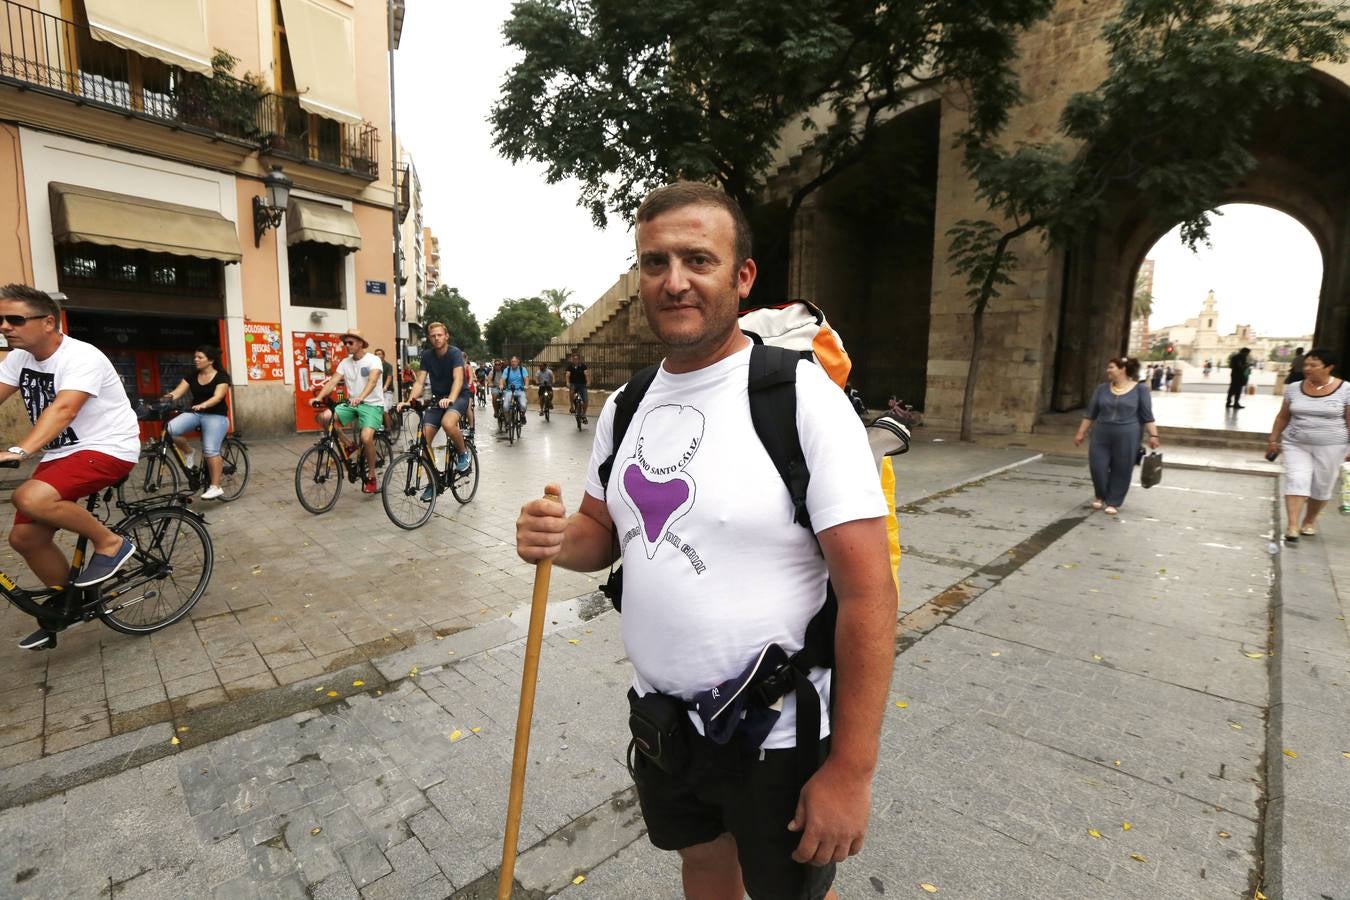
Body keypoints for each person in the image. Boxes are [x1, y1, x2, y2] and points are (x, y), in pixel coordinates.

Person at [516, 182, 896, 900]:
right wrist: (555, 539)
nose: (675, 281)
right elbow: (601, 533)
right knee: (703, 863)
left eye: (698, 259)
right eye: (655, 263)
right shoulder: (627, 404)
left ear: (741, 276)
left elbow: (869, 593)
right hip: (664, 723)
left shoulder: (799, 398)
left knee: (791, 893)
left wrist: (851, 770)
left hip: (776, 732)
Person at [0, 284, 141, 649]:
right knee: (24, 538)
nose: (5, 326)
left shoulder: (81, 357)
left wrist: (21, 449)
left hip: (109, 447)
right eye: (0, 319)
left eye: (14, 319)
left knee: (29, 497)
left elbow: (64, 409)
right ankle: (70, 604)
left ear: (48, 322)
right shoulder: (20, 357)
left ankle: (110, 542)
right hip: (64, 454)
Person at [1266, 348, 1349, 542]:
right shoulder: (1294, 388)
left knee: (1322, 485)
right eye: (1306, 365)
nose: (1307, 368)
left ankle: (1309, 521)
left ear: (1329, 367)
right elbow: (1283, 417)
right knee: (1297, 479)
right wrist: (1273, 439)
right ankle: (1292, 525)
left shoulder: (1346, 389)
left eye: (1313, 365)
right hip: (1296, 443)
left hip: (1332, 446)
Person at [1073, 355, 1160, 516]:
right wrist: (1081, 432)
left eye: (1111, 367)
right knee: (1097, 466)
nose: (1108, 370)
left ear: (1123, 369)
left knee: (1122, 468)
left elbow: (1147, 415)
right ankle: (1100, 494)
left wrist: (1153, 436)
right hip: (1101, 434)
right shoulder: (1101, 389)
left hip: (1128, 435)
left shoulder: (1141, 390)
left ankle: (1113, 501)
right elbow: (1090, 414)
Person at [398, 322, 471, 497]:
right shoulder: (427, 356)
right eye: (433, 336)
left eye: (439, 335)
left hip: (458, 396)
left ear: (446, 336)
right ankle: (434, 482)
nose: (436, 338)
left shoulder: (454, 353)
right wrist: (409, 401)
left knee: (448, 423)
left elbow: (458, 379)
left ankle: (463, 453)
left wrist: (451, 399)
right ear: (430, 338)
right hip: (439, 400)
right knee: (423, 440)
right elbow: (419, 382)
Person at [312, 329, 383, 494]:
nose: (346, 345)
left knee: (366, 438)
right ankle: (348, 444)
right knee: (324, 417)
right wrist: (319, 397)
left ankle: (372, 476)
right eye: (345, 342)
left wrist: (361, 397)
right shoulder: (345, 363)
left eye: (350, 342)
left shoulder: (373, 360)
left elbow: (372, 381)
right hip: (352, 403)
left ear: (360, 343)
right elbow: (332, 382)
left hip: (372, 404)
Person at [161, 344, 231, 500]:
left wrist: (204, 405)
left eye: (200, 357)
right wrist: (163, 399)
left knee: (210, 450)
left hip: (216, 415)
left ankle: (216, 486)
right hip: (196, 413)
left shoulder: (222, 377)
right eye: (195, 357)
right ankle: (188, 451)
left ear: (211, 360)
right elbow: (177, 392)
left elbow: (218, 397)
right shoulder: (192, 375)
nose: (196, 360)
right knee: (170, 429)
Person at [499, 356, 529, 427]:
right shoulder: (507, 370)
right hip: (509, 391)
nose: (513, 363)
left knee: (523, 405)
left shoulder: (522, 369)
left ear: (518, 362)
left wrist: (526, 386)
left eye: (515, 361)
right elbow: (502, 379)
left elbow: (526, 379)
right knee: (505, 406)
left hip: (520, 390)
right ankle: (507, 421)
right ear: (510, 362)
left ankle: (522, 415)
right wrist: (501, 384)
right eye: (512, 361)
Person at [374, 348, 396, 430]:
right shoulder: (374, 366)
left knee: (384, 409)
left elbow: (389, 377)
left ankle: (389, 430)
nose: (378, 356)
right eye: (376, 354)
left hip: (387, 391)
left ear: (383, 355)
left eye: (380, 354)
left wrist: (385, 387)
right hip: (377, 391)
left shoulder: (388, 366)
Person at [564, 351, 589, 423]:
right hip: (573, 384)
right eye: (574, 359)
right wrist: (567, 382)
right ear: (572, 360)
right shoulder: (570, 367)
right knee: (571, 392)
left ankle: (584, 414)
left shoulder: (583, 366)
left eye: (577, 359)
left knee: (586, 400)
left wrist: (588, 382)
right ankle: (572, 407)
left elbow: (586, 374)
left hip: (582, 385)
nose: (575, 360)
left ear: (579, 359)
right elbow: (567, 375)